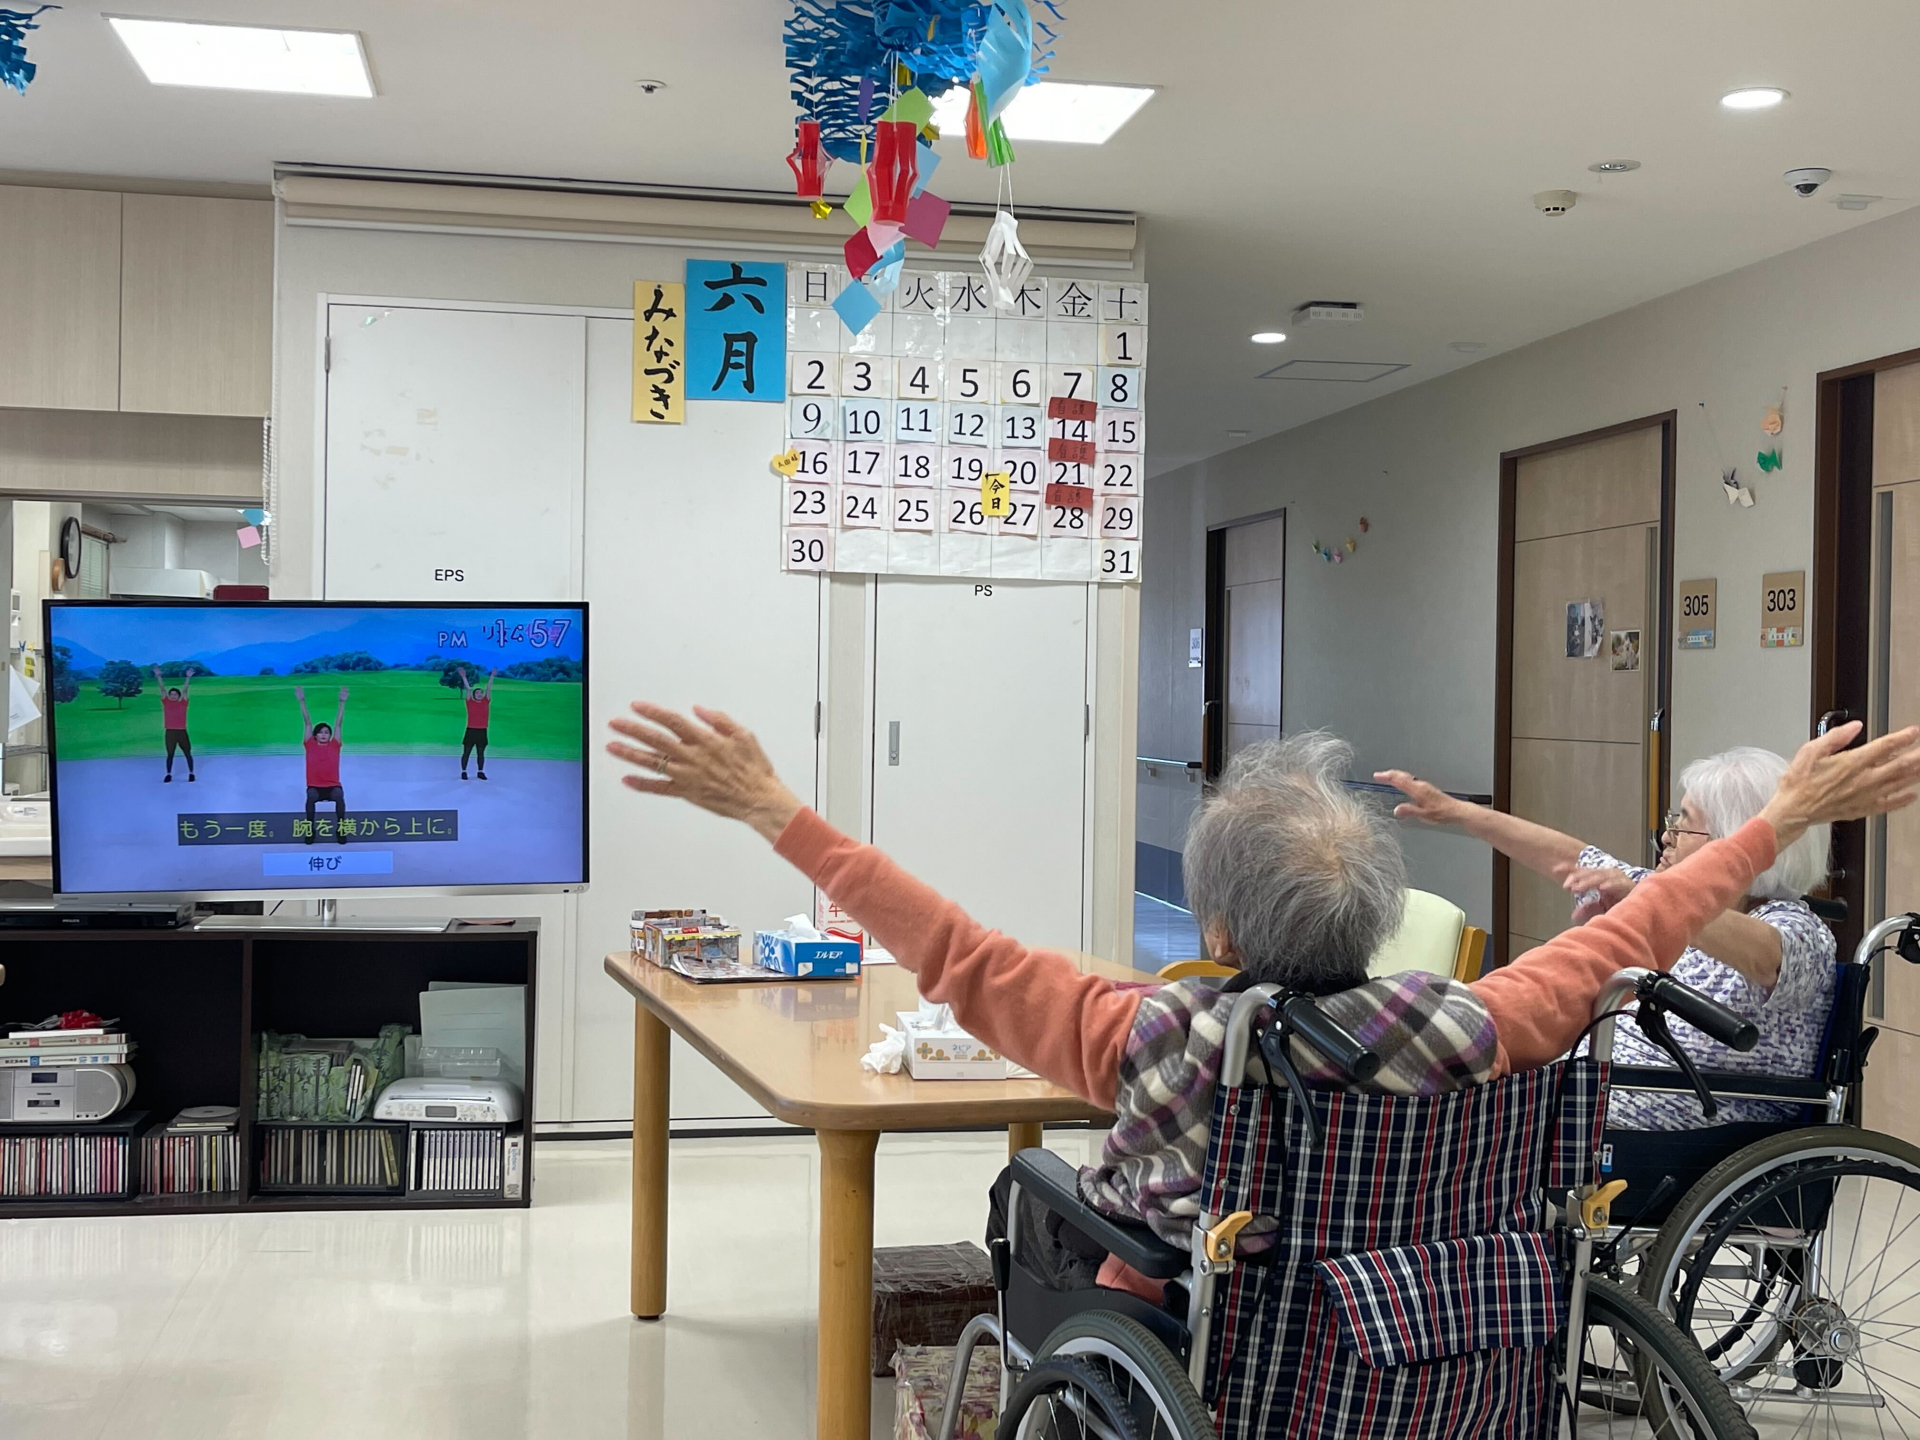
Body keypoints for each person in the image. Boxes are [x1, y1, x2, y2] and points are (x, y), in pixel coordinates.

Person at [605, 704, 1919, 1296]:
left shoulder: (1154, 1031)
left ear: (1217, 930)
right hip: (1403, 1317)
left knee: (1038, 1196)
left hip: (1202, 1320)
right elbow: (1639, 922)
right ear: (1376, 919)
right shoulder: (1473, 1020)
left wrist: (778, 812)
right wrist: (1778, 823)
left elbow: (955, 953)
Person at [1378, 748, 1836, 1129]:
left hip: (1687, 1117)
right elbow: (1570, 859)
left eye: (1684, 824)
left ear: (1734, 842)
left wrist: (1649, 898)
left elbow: (1766, 958)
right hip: (1599, 1085)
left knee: (1469, 1115)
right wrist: (1460, 813)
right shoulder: (1658, 891)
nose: (1667, 837)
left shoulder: (1801, 931)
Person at [295, 685, 349, 845]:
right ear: (315, 735)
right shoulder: (310, 744)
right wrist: (302, 701)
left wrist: (342, 702)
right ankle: (310, 830)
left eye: (326, 732)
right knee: (311, 797)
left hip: (332, 786)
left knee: (339, 796)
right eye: (320, 732)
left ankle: (341, 829)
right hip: (315, 787)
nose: (324, 735)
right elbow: (307, 723)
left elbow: (338, 724)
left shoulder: (335, 745)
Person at [153, 664, 197, 783]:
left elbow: (185, 690)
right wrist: (158, 676)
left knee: (187, 753)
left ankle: (191, 773)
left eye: (175, 694)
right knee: (170, 754)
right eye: (171, 694)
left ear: (178, 696)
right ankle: (168, 774)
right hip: (170, 732)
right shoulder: (166, 702)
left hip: (181, 731)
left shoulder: (183, 703)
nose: (173, 696)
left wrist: (188, 678)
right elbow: (162, 689)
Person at [457, 667, 496, 780]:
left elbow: (488, 687)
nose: (480, 694)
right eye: (477, 693)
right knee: (467, 752)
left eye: (481, 692)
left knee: (480, 753)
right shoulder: (470, 702)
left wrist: (492, 676)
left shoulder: (485, 702)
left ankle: (480, 771)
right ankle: (464, 771)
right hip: (471, 730)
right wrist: (464, 677)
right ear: (474, 695)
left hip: (482, 731)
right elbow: (468, 689)